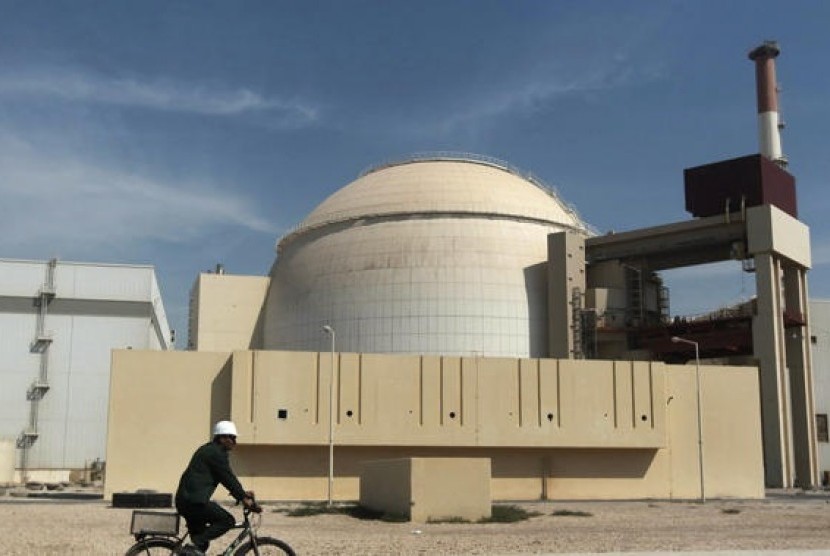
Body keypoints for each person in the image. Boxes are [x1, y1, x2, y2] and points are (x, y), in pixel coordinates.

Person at [175, 420, 259, 555]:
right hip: (193, 502)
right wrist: (243, 498)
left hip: (188, 501)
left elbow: (225, 478)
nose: (234, 442)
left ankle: (193, 546)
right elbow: (227, 477)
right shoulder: (214, 454)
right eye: (231, 438)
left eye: (234, 438)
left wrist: (242, 493)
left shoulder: (211, 450)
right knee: (227, 520)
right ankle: (193, 544)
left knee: (201, 547)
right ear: (221, 438)